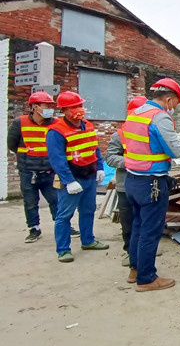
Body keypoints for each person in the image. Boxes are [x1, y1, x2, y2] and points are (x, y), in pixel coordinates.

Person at [123, 78, 180, 291]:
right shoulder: (160, 117)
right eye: (175, 103)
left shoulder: (135, 114)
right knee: (150, 230)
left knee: (137, 226)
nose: (174, 107)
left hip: (133, 179)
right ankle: (146, 279)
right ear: (168, 99)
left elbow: (145, 143)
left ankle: (135, 270)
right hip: (152, 182)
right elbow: (176, 151)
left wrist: (173, 139)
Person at [47, 91, 109, 262]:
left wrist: (100, 168)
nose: (79, 109)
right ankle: (63, 249)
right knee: (64, 215)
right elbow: (57, 160)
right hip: (72, 180)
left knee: (88, 210)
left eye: (80, 105)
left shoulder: (87, 125)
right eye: (74, 107)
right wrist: (69, 181)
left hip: (89, 176)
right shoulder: (56, 131)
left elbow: (94, 148)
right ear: (64, 110)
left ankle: (88, 240)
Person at [7, 91, 62, 243]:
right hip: (28, 172)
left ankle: (62, 225)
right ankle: (34, 228)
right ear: (35, 107)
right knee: (30, 202)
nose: (50, 109)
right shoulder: (20, 122)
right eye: (47, 105)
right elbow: (12, 144)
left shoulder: (56, 123)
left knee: (56, 200)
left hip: (49, 171)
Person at [104, 95, 147, 266]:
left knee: (145, 219)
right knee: (128, 221)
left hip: (146, 184)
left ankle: (143, 249)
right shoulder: (119, 136)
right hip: (125, 185)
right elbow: (110, 158)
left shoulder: (151, 132)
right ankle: (130, 251)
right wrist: (130, 162)